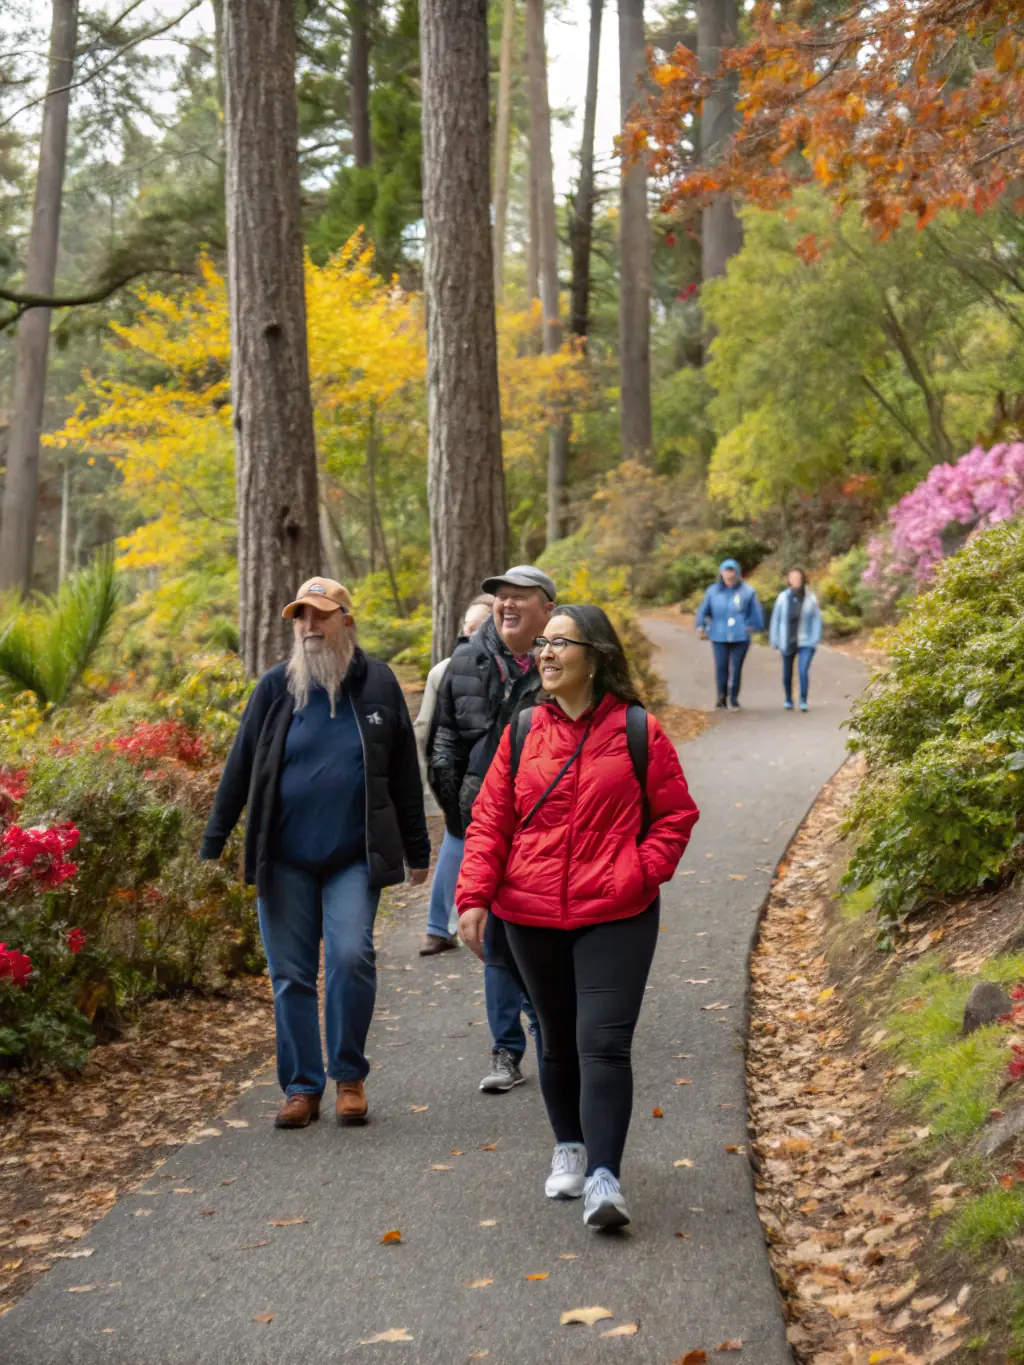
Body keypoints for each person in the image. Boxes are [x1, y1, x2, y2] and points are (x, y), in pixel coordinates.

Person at [456, 605, 699, 1229]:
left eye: (561, 643)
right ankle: (569, 1144)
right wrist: (474, 898)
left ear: (597, 656)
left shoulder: (638, 730)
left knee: (604, 1043)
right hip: (529, 912)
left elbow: (675, 815)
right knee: (557, 1039)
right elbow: (490, 822)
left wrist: (638, 871)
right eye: (543, 643)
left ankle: (604, 1177)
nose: (547, 653)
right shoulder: (522, 731)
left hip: (616, 910)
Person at [200, 577, 429, 1130]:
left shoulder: (378, 685)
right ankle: (302, 1087)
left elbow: (402, 772)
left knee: (351, 957)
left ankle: (348, 1074)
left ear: (346, 621)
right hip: (283, 856)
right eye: (301, 617)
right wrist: (214, 840)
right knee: (290, 975)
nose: (308, 627)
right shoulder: (276, 687)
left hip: (354, 854)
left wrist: (418, 849)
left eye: (320, 616)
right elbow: (239, 768)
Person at [428, 565, 554, 1093]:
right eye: (501, 598)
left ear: (547, 608)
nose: (506, 605)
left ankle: (551, 1033)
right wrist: (464, 817)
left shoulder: (561, 660)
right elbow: (442, 746)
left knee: (542, 937)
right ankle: (507, 1050)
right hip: (483, 822)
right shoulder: (463, 661)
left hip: (545, 828)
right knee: (494, 939)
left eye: (520, 597)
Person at [414, 594, 494, 956]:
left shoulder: (512, 667)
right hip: (460, 782)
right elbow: (425, 732)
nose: (471, 634)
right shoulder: (443, 670)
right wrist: (437, 792)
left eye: (480, 627)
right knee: (456, 839)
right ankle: (438, 927)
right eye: (468, 627)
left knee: (459, 843)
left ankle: (442, 926)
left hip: (486, 781)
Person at [695, 558, 765, 709]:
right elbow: (703, 611)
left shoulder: (747, 591)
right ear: (721, 572)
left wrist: (752, 628)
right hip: (719, 635)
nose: (729, 574)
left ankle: (734, 697)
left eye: (732, 570)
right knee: (721, 666)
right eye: (726, 570)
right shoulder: (713, 591)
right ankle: (721, 696)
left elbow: (756, 613)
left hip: (741, 636)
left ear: (737, 572)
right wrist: (700, 626)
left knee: (736, 668)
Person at [769, 567, 822, 712]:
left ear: (803, 579)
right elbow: (776, 619)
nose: (795, 580)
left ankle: (803, 700)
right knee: (787, 673)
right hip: (786, 640)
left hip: (806, 641)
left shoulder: (811, 598)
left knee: (803, 670)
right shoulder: (782, 597)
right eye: (792, 577)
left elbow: (816, 619)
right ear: (788, 580)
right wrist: (774, 639)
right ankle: (788, 699)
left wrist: (815, 639)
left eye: (797, 577)